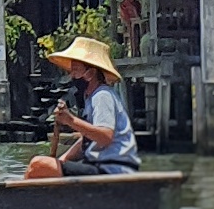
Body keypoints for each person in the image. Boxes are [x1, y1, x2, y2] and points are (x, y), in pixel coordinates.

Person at [24, 36, 140, 177]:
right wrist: (61, 160)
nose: (72, 76)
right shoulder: (90, 99)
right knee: (42, 166)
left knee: (37, 165)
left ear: (90, 73)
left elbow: (105, 137)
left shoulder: (102, 96)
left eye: (76, 70)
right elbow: (87, 139)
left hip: (112, 169)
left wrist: (70, 120)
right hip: (95, 166)